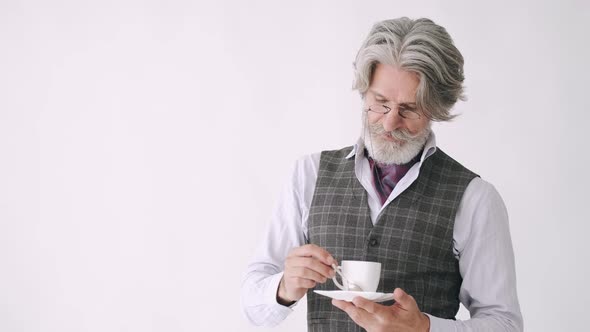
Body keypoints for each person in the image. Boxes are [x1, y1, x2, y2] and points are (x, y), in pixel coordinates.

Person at [240, 17, 523, 331]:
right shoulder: (309, 174)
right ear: (364, 93)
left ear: (436, 108)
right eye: (380, 103)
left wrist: (425, 328)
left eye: (409, 109)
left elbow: (505, 324)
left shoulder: (475, 198)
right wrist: (284, 287)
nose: (389, 123)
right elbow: (253, 307)